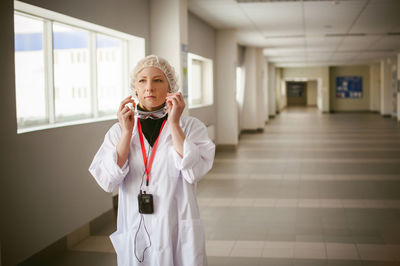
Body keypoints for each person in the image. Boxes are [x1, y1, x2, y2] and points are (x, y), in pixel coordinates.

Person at [88, 54, 215, 266]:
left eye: (158, 80)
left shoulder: (191, 127)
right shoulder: (118, 130)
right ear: (134, 89)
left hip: (175, 221)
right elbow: (107, 180)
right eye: (142, 81)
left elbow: (193, 172)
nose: (149, 88)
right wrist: (127, 134)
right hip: (136, 221)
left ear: (170, 87)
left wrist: (174, 124)